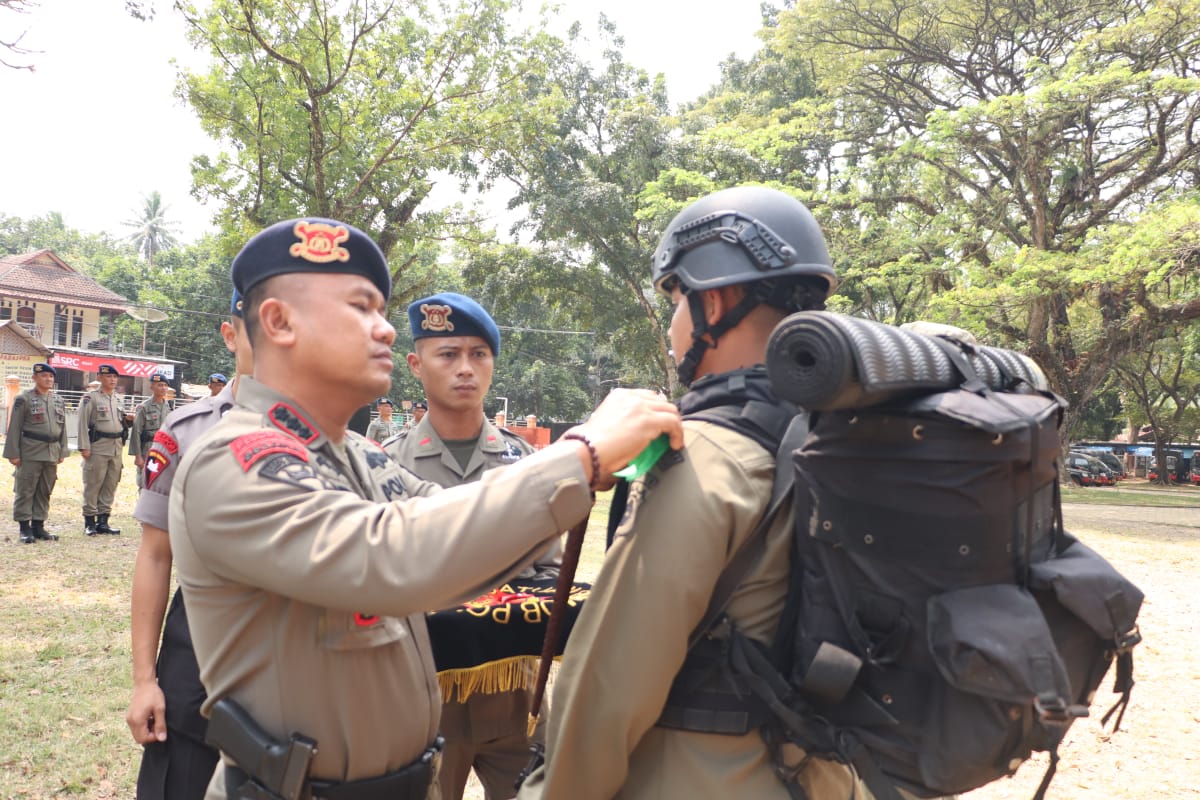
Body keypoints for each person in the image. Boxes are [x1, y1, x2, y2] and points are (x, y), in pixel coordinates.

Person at [168, 217, 681, 800]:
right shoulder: (237, 458)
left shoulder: (355, 454)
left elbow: (459, 522)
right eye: (362, 308)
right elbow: (395, 554)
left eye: (382, 310)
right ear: (279, 322)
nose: (385, 330)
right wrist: (580, 455)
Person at [519, 186, 864, 799]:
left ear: (719, 299)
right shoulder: (842, 435)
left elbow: (609, 689)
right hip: (826, 776)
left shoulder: (702, 456)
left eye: (677, 300)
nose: (674, 324)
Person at [384, 292, 559, 800]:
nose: (466, 368)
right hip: (422, 697)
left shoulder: (526, 463)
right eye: (448, 354)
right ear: (416, 364)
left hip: (515, 695)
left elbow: (545, 572)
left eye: (478, 354)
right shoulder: (386, 465)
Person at [126, 292, 251, 800]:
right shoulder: (188, 430)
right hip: (194, 660)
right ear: (230, 335)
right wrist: (143, 679)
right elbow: (157, 555)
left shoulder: (332, 443)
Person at [4, 362, 68, 543]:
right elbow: (14, 427)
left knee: (45, 489)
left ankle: (38, 527)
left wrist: (62, 450)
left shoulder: (58, 400)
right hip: (30, 450)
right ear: (34, 378)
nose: (48, 379)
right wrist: (13, 453)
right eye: (43, 376)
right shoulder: (23, 399)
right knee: (26, 489)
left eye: (51, 376)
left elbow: (62, 428)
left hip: (52, 451)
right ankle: (24, 528)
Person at [78, 363, 126, 536]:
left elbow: (120, 422)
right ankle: (89, 522)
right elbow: (82, 423)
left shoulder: (117, 399)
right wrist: (84, 446)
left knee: (110, 484)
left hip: (116, 448)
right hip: (97, 446)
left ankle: (103, 521)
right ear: (99, 377)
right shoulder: (91, 398)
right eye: (108, 376)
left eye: (114, 377)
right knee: (93, 484)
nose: (112, 379)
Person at [129, 374, 173, 491]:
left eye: (165, 385)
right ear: (152, 387)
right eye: (160, 385)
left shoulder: (168, 407)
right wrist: (138, 456)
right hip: (148, 449)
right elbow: (136, 432)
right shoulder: (143, 407)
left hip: (164, 450)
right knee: (145, 482)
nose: (163, 388)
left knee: (161, 481)